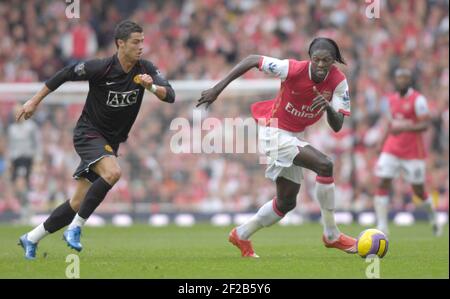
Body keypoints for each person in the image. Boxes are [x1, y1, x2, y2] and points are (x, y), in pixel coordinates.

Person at [17, 20, 175, 260]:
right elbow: (66, 73)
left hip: (110, 142)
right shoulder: (101, 68)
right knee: (112, 173)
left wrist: (151, 87)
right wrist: (34, 101)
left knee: (77, 201)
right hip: (88, 133)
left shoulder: (145, 68)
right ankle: (76, 228)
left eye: (142, 41)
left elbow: (170, 95)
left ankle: (31, 237)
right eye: (135, 42)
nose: (141, 46)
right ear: (120, 44)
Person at [197, 37, 356, 258]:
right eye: (316, 60)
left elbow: (337, 126)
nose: (321, 65)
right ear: (310, 58)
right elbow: (253, 59)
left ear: (334, 61)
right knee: (325, 165)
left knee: (286, 203)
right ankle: (331, 234)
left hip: (292, 136)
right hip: (274, 132)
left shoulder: (339, 83)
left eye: (326, 60)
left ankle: (241, 234)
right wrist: (217, 89)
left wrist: (328, 108)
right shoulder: (292, 69)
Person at [373, 68, 441, 236]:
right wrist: (381, 143)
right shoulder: (390, 100)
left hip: (412, 152)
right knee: (383, 182)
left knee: (418, 189)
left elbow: (426, 124)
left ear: (410, 81)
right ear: (395, 80)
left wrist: (406, 126)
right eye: (399, 78)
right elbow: (390, 124)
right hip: (392, 148)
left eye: (405, 78)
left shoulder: (418, 100)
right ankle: (382, 225)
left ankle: (433, 217)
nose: (402, 80)